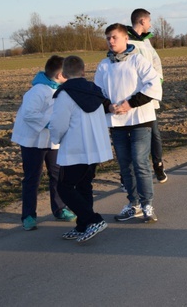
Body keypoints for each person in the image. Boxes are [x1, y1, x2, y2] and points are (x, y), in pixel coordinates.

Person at [95, 23, 162, 224]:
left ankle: (147, 204)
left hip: (140, 119)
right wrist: (108, 105)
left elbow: (153, 84)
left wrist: (130, 104)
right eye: (108, 38)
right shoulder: (104, 65)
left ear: (126, 39)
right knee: (125, 164)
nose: (110, 41)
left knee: (140, 161)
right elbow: (97, 91)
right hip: (117, 121)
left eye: (114, 37)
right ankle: (133, 204)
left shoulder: (138, 60)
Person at [49, 55, 112, 243]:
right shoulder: (95, 92)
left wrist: (56, 139)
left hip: (76, 148)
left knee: (64, 187)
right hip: (95, 148)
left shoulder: (65, 94)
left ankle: (94, 220)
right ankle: (83, 225)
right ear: (83, 71)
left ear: (64, 74)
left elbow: (59, 124)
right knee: (84, 186)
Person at [10, 55, 75, 231]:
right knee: (33, 178)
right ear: (60, 74)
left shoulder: (61, 89)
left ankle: (59, 209)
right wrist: (52, 124)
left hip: (52, 141)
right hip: (32, 141)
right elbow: (30, 114)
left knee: (57, 175)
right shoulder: (37, 91)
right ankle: (29, 215)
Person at [126, 8, 167, 183]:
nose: (150, 24)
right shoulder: (126, 41)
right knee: (130, 137)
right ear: (142, 21)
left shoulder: (146, 41)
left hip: (148, 96)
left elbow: (156, 62)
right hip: (132, 97)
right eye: (149, 20)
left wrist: (157, 82)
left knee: (154, 134)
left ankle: (158, 166)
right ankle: (128, 175)